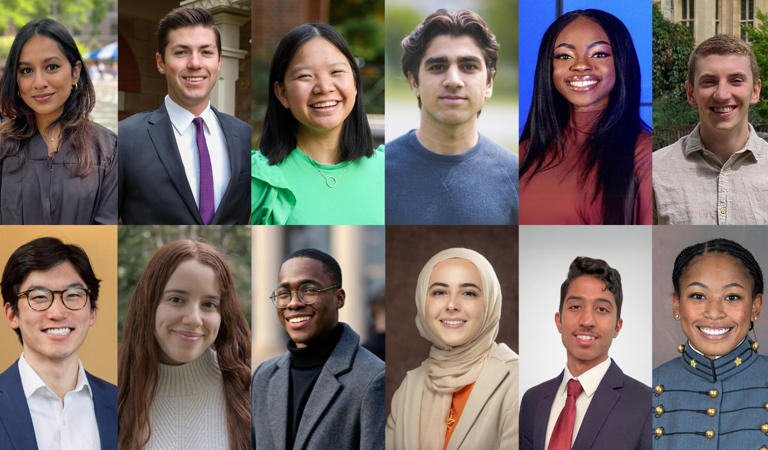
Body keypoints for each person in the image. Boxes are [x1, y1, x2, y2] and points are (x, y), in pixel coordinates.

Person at [118, 7, 251, 225]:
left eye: (206, 52)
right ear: (161, 63)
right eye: (181, 52)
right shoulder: (125, 138)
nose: (195, 63)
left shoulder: (245, 135)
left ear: (219, 61)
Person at [386, 10, 519, 225]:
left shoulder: (518, 176)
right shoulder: (379, 173)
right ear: (414, 82)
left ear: (489, 83)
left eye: (468, 66)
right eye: (437, 67)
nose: (453, 81)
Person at [519, 9, 652, 225]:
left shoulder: (644, 155)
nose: (580, 65)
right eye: (564, 56)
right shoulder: (522, 156)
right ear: (549, 68)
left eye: (599, 54)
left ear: (620, 62)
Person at [117, 240, 251, 450]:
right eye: (177, 299)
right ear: (149, 303)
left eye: (209, 304)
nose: (194, 319)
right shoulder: (111, 391)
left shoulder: (251, 390)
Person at [251, 248, 385, 450]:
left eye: (309, 291)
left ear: (338, 298)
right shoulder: (263, 376)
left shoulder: (374, 378)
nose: (294, 303)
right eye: (284, 294)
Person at [387, 248, 519, 450]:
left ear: (490, 303)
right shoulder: (409, 387)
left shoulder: (518, 382)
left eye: (468, 293)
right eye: (439, 292)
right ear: (423, 302)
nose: (451, 305)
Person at [251, 24, 383, 225]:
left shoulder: (391, 173)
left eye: (336, 72)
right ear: (282, 93)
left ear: (355, 83)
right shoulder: (258, 180)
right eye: (305, 76)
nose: (324, 87)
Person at [519, 257, 651, 450]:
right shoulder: (532, 400)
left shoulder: (646, 404)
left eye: (601, 309)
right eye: (575, 307)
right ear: (559, 321)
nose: (587, 320)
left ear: (617, 327)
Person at [0, 237, 117, 449]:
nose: (57, 313)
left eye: (72, 295)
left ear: (93, 312)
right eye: (39, 297)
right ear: (11, 315)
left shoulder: (121, 402)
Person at [0, 19, 117, 224]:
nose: (39, 83)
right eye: (26, 70)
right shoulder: (3, 146)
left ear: (75, 72)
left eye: (51, 67)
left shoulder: (109, 150)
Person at [652, 239, 766, 449]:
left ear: (755, 307)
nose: (714, 313)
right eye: (698, 296)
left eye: (732, 297)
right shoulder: (648, 386)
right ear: (677, 304)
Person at [653, 35, 767, 224]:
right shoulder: (654, 172)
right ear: (691, 94)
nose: (722, 94)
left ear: (755, 91)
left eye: (736, 80)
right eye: (709, 81)